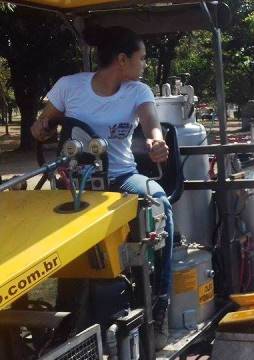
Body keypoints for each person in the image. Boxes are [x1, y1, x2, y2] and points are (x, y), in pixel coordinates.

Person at [30, 26, 173, 348]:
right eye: (142, 58)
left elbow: (152, 125)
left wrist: (156, 142)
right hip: (73, 181)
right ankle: (65, 316)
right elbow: (43, 125)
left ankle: (159, 301)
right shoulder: (70, 87)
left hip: (121, 177)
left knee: (159, 202)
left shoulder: (138, 91)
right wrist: (40, 128)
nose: (145, 65)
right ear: (122, 59)